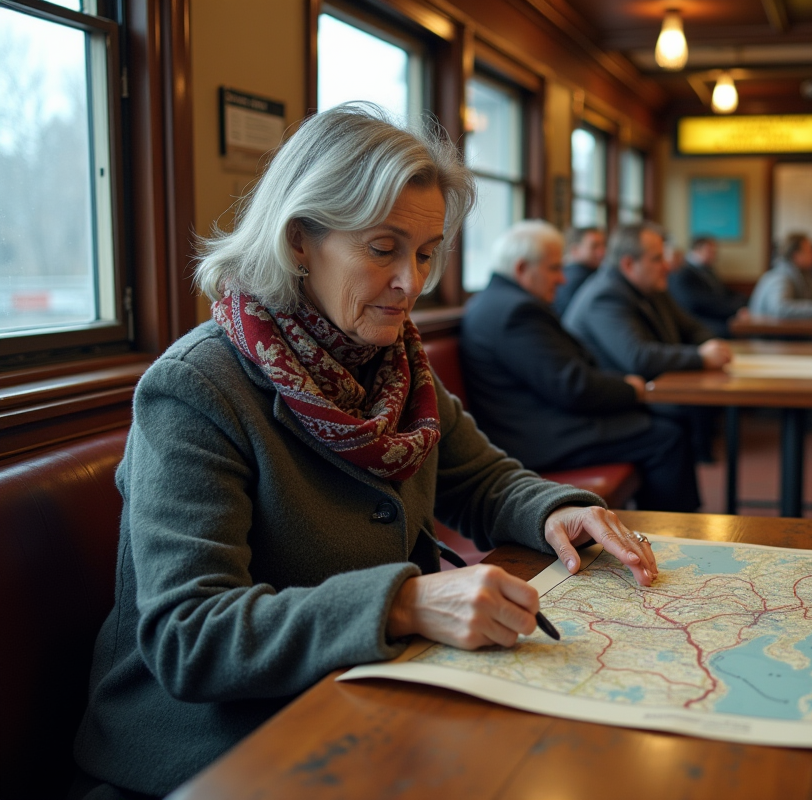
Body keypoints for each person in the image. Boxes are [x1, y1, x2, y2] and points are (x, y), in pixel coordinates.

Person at [71, 104, 657, 799]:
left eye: (425, 252)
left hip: (359, 694)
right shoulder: (194, 388)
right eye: (383, 249)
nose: (411, 281)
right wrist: (401, 604)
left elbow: (480, 478)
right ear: (298, 241)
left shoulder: (395, 362)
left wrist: (556, 510)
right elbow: (190, 637)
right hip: (211, 752)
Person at [461, 220, 700, 512]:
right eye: (554, 269)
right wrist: (629, 389)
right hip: (538, 439)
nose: (562, 279)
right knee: (666, 437)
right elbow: (572, 387)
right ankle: (675, 531)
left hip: (544, 421)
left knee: (666, 421)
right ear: (522, 269)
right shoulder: (516, 312)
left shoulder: (501, 303)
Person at [563, 222, 731, 460]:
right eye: (657, 259)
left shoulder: (651, 287)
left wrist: (710, 344)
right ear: (629, 264)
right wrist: (702, 357)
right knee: (673, 428)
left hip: (647, 393)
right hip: (607, 405)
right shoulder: (605, 295)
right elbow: (638, 358)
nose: (667, 266)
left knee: (682, 418)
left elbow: (692, 327)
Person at [668, 234, 748, 338]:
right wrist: (735, 310)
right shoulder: (683, 272)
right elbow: (700, 303)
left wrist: (743, 302)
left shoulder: (708, 270)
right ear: (697, 250)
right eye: (710, 251)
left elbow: (725, 292)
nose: (714, 255)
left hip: (716, 316)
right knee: (731, 330)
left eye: (715, 252)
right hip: (699, 320)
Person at [551, 225, 606, 317]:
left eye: (603, 245)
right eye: (594, 246)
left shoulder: (587, 272)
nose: (602, 251)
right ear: (575, 250)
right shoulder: (577, 278)